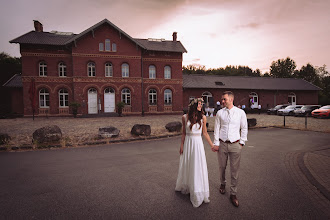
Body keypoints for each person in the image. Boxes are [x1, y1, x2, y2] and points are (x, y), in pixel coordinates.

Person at [175, 98, 215, 208]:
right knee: (188, 164)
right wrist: (182, 145)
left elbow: (205, 134)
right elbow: (183, 133)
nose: (200, 105)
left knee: (197, 166)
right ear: (193, 105)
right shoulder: (184, 117)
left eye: (201, 104)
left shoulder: (203, 118)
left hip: (197, 144)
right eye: (199, 103)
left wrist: (212, 145)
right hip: (188, 143)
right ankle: (188, 185)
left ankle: (197, 190)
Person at [212, 91, 248, 207]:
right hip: (222, 144)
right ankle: (222, 183)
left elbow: (244, 128)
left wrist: (241, 143)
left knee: (234, 170)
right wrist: (216, 143)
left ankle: (233, 193)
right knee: (222, 167)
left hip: (235, 145)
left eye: (224, 99)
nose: (222, 101)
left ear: (231, 99)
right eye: (222, 99)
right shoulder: (219, 113)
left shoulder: (240, 113)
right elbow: (216, 129)